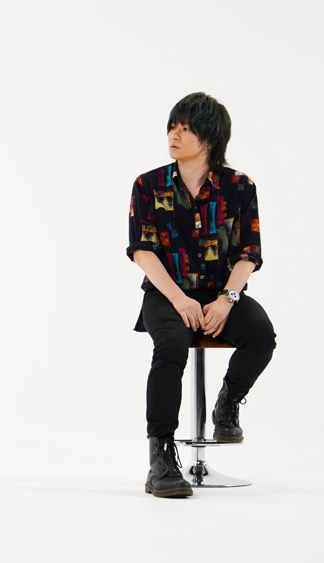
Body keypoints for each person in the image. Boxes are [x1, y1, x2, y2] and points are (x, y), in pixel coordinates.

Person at [126, 92, 276, 498]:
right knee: (170, 347)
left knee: (261, 335)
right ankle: (161, 456)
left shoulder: (240, 187)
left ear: (209, 138)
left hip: (221, 291)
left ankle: (228, 402)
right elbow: (142, 251)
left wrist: (226, 299)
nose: (173, 136)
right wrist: (179, 299)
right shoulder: (148, 185)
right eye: (172, 127)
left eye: (185, 129)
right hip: (167, 291)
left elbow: (249, 253)